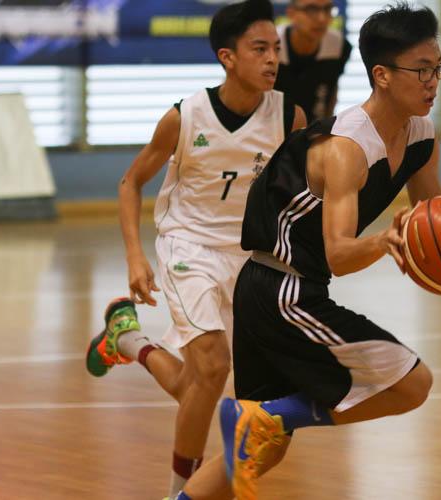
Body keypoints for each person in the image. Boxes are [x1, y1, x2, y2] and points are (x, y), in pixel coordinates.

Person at [176, 3, 441, 500]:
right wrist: (383, 242)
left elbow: (438, 222)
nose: (434, 81)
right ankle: (269, 417)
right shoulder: (346, 148)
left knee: (262, 448)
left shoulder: (420, 136)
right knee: (412, 384)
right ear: (382, 75)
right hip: (282, 290)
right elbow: (341, 254)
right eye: (422, 71)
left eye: (439, 68)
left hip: (276, 289)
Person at [84, 0, 306, 497]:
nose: (272, 58)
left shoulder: (288, 116)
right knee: (213, 368)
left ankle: (127, 340)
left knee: (196, 385)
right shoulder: (186, 117)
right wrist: (136, 257)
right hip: (189, 248)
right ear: (227, 57)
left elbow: (299, 192)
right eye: (259, 49)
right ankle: (179, 493)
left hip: (249, 259)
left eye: (275, 48)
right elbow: (130, 181)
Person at [274, 0, 352, 121]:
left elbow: (331, 91)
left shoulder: (339, 45)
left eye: (327, 9)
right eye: (311, 10)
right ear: (291, 13)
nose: (322, 18)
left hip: (314, 130)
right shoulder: (272, 45)